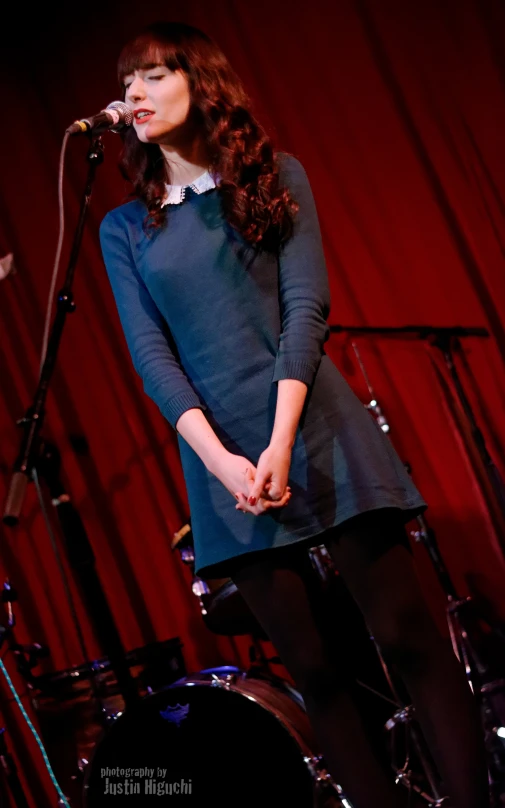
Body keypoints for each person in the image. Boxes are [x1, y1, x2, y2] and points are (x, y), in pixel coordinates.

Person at [99, 21, 489, 808]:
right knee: (314, 670)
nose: (134, 93)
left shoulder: (274, 174)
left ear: (199, 81)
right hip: (222, 465)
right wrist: (225, 463)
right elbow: (152, 359)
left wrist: (278, 442)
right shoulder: (124, 228)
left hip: (313, 429)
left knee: (407, 638)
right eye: (128, 80)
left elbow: (305, 309)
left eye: (153, 75)